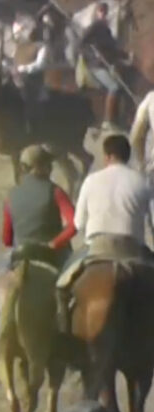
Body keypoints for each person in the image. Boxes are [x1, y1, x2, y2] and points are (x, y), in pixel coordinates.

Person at [55, 135, 154, 332]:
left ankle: (64, 329)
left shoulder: (91, 181)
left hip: (97, 249)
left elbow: (78, 223)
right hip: (133, 250)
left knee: (61, 284)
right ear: (127, 156)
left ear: (107, 156)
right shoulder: (142, 183)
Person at [2, 145, 76, 268]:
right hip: (52, 255)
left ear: (22, 168)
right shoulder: (55, 191)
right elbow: (74, 224)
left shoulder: (10, 196)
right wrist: (55, 243)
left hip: (21, 256)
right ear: (45, 167)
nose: (51, 168)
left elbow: (7, 240)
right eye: (48, 164)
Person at [80, 2, 130, 128]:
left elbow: (112, 49)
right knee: (114, 87)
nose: (103, 14)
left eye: (105, 12)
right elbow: (81, 45)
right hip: (95, 66)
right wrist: (93, 55)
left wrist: (126, 55)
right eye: (101, 11)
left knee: (123, 85)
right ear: (97, 13)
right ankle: (108, 121)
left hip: (106, 65)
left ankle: (120, 118)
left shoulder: (106, 30)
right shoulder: (94, 27)